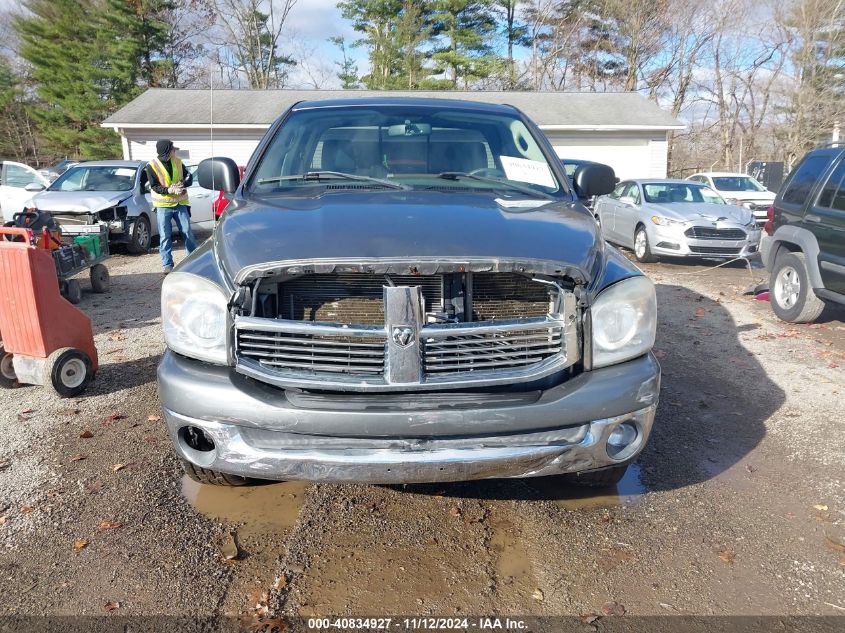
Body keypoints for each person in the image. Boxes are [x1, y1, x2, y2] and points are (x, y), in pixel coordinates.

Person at [145, 139, 196, 273]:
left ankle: (193, 260)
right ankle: (168, 265)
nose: (175, 151)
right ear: (167, 151)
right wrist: (169, 190)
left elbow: (189, 177)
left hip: (180, 204)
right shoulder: (152, 166)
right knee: (165, 236)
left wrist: (182, 185)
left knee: (187, 232)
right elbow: (154, 186)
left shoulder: (178, 162)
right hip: (163, 206)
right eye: (173, 149)